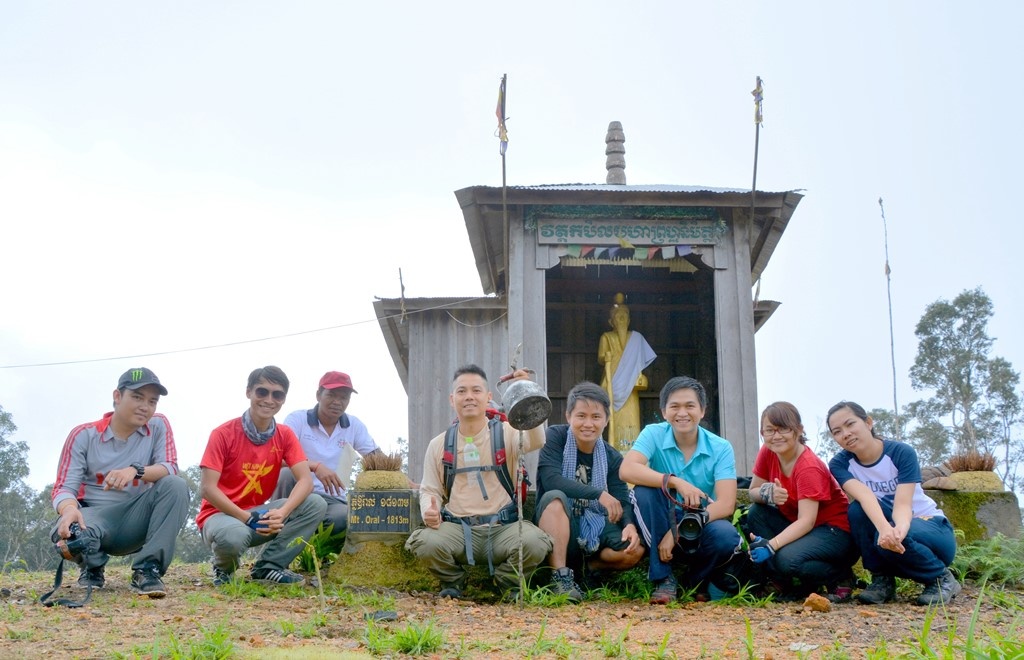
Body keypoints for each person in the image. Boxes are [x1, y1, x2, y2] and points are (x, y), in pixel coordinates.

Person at [405, 364, 552, 600]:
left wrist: (524, 393)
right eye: (462, 391)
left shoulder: (507, 432)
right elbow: (430, 489)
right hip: (458, 530)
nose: (469, 397)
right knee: (425, 543)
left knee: (535, 542)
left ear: (489, 397)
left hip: (503, 528)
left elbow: (536, 440)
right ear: (452, 399)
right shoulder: (439, 444)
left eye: (476, 390)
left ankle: (506, 582)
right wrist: (428, 512)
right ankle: (453, 582)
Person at [50, 367, 190, 598]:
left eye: (152, 401)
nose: (145, 406)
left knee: (176, 484)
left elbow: (170, 466)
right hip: (95, 518)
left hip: (135, 518)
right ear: (117, 396)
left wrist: (135, 471)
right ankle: (92, 567)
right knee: (71, 532)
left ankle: (148, 570)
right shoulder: (84, 435)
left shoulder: (158, 425)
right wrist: (68, 509)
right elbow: (64, 487)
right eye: (137, 397)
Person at [197, 366, 327, 586]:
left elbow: (305, 480)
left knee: (315, 504)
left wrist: (282, 512)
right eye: (262, 392)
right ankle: (223, 570)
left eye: (277, 394)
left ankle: (268, 567)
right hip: (219, 516)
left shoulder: (285, 435)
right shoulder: (223, 434)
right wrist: (247, 518)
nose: (269, 399)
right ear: (249, 392)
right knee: (234, 536)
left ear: (283, 399)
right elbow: (207, 489)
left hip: (258, 514)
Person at [619, 376, 742, 604]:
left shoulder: (721, 447)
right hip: (661, 516)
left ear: (702, 411)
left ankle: (694, 581)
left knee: (726, 537)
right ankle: (663, 577)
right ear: (664, 412)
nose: (682, 413)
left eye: (690, 406)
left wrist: (676, 531)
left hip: (701, 519)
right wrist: (675, 482)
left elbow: (725, 504)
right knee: (643, 492)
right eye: (674, 406)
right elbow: (627, 470)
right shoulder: (653, 433)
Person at [827, 401, 961, 605]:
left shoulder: (901, 452)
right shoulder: (840, 464)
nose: (845, 433)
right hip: (890, 529)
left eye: (850, 424)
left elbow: (903, 505)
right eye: (837, 431)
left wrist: (895, 530)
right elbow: (865, 497)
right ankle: (882, 580)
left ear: (868, 422)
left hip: (930, 528)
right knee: (856, 511)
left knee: (887, 540)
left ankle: (941, 577)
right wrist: (884, 531)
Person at [535, 382, 644, 601]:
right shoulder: (555, 437)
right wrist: (598, 494)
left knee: (634, 551)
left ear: (606, 420)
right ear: (568, 417)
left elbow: (621, 498)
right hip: (559, 521)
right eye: (581, 416)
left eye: (596, 417)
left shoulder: (612, 457)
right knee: (555, 499)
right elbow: (552, 480)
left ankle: (588, 568)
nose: (588, 424)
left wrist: (630, 524)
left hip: (594, 521)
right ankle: (560, 577)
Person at [744, 402, 859, 602]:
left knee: (786, 560)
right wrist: (767, 493)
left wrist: (771, 545)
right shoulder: (768, 451)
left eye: (784, 429)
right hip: (800, 525)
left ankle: (841, 575)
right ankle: (782, 582)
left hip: (833, 532)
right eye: (769, 430)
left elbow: (807, 520)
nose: (776, 436)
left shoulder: (808, 467)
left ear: (799, 430)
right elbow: (752, 492)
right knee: (756, 512)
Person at [274, 371, 383, 534]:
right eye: (331, 395)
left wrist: (409, 484)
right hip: (297, 493)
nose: (337, 402)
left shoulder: (354, 426)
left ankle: (314, 549)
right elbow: (276, 458)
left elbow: (380, 462)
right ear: (318, 395)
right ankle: (275, 530)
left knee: (346, 517)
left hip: (333, 500)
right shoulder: (297, 419)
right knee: (285, 474)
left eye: (344, 397)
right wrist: (314, 466)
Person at [597, 293, 656, 452]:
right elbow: (601, 357)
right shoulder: (607, 337)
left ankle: (633, 452)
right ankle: (615, 451)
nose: (622, 318)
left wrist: (641, 377)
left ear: (629, 320)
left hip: (631, 386)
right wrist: (607, 357)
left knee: (632, 419)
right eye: (618, 316)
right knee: (614, 419)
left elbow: (642, 364)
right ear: (611, 321)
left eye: (625, 316)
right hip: (613, 384)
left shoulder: (636, 338)